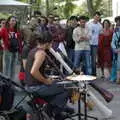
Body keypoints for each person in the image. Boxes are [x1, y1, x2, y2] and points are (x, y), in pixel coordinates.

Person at [25, 31, 71, 120]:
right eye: (52, 42)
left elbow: (35, 70)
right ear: (48, 43)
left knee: (58, 86)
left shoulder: (34, 50)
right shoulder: (41, 53)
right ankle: (53, 112)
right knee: (67, 88)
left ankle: (54, 111)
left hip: (31, 85)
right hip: (35, 87)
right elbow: (33, 72)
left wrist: (47, 77)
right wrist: (46, 81)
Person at [111, 16, 120, 84]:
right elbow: (112, 41)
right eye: (117, 21)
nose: (118, 22)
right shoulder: (115, 31)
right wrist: (114, 48)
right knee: (116, 64)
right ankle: (117, 78)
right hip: (117, 50)